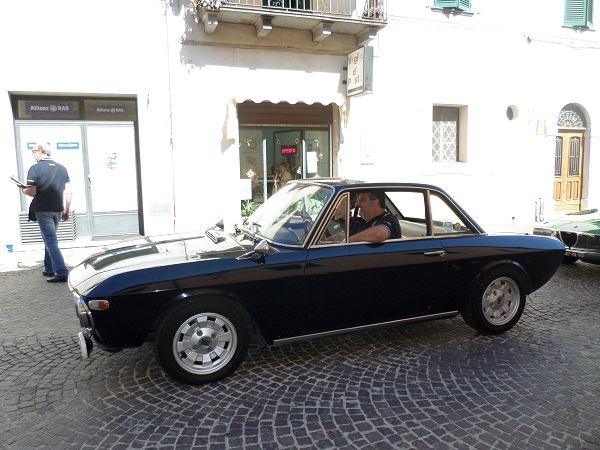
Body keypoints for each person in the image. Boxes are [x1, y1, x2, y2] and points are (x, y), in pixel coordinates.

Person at [20, 143, 73, 282]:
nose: (33, 155)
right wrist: (66, 209)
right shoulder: (62, 168)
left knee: (50, 240)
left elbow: (32, 192)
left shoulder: (35, 169)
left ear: (39, 152)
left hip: (43, 210)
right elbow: (69, 193)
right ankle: (49, 268)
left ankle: (62, 271)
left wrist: (23, 189)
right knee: (50, 238)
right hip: (58, 209)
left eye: (33, 152)